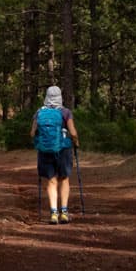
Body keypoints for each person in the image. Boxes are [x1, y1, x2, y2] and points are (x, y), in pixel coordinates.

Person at [30, 86, 79, 224]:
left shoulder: (40, 112)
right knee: (64, 178)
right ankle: (64, 212)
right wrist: (76, 142)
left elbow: (32, 133)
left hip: (45, 151)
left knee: (51, 181)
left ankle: (53, 213)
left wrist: (41, 140)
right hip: (63, 149)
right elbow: (73, 132)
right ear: (60, 97)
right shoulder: (65, 112)